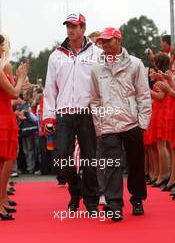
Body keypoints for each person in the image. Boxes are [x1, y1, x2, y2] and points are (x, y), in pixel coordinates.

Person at [90, 27, 152, 221]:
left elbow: (143, 95)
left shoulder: (135, 64)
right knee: (112, 166)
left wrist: (143, 122)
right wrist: (99, 126)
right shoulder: (96, 68)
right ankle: (114, 204)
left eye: (108, 40)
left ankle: (137, 199)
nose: (105, 45)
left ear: (118, 40)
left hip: (132, 123)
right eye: (102, 41)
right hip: (108, 125)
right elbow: (94, 100)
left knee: (136, 165)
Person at [43, 12, 101, 214]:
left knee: (90, 158)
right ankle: (76, 193)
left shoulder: (97, 54)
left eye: (75, 26)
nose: (70, 29)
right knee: (62, 155)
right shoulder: (55, 56)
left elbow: (102, 85)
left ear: (83, 28)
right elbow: (50, 88)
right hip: (64, 114)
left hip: (87, 112)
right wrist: (48, 116)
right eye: (68, 25)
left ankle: (92, 200)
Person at [0, 33, 29, 220]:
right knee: (6, 159)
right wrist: (21, 77)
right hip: (2, 118)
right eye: (1, 46)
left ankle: (2, 198)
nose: (3, 49)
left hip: (5, 116)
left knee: (5, 160)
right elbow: (13, 93)